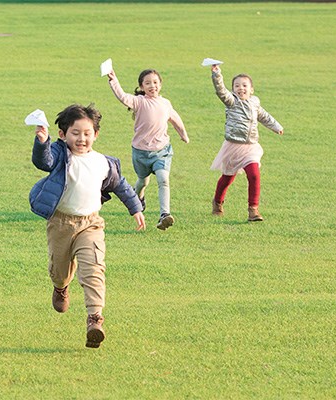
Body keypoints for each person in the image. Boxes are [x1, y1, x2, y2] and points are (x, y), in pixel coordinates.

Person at [29, 104, 145, 349]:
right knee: (59, 269)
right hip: (61, 223)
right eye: (75, 133)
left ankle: (95, 319)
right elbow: (44, 161)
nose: (81, 138)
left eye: (87, 133)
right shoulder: (61, 156)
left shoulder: (103, 162)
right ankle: (61, 288)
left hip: (91, 224)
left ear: (96, 134)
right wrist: (42, 141)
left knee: (93, 267)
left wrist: (135, 208)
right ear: (63, 134)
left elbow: (121, 186)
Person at [107, 68, 189, 230]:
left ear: (160, 84)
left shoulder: (165, 103)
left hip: (161, 151)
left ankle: (164, 214)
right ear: (142, 87)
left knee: (163, 180)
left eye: (155, 82)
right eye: (148, 83)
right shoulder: (139, 101)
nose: (152, 86)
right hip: (141, 152)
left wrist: (183, 134)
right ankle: (137, 201)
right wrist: (113, 80)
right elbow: (122, 96)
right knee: (142, 181)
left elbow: (175, 118)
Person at [209, 64, 284, 221]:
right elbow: (221, 91)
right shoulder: (232, 101)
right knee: (228, 178)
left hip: (251, 146)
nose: (241, 88)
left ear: (251, 89)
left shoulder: (255, 103)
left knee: (254, 175)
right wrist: (217, 75)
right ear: (233, 89)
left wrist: (276, 126)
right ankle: (217, 202)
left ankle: (253, 210)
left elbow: (264, 116)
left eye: (244, 85)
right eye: (237, 86)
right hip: (233, 146)